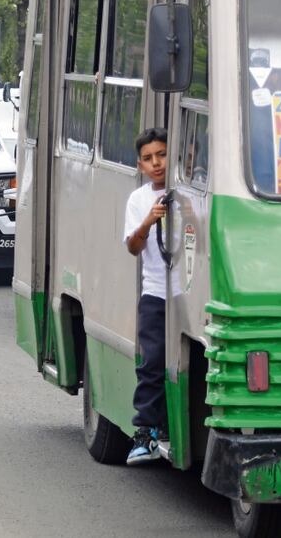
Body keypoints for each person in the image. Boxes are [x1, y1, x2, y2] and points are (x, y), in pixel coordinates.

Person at [121, 127, 170, 465]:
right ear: (140, 165)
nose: (156, 164)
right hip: (156, 293)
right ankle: (145, 434)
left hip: (189, 295)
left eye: (161, 155)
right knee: (151, 364)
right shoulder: (138, 200)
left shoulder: (193, 192)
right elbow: (133, 248)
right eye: (149, 159)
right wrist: (148, 222)